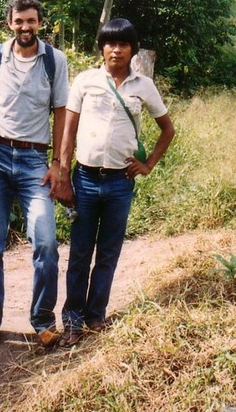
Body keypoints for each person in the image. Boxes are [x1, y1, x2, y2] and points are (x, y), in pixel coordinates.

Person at [56, 18, 175, 346]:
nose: (116, 50)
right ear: (102, 48)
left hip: (120, 183)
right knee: (80, 251)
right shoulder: (86, 81)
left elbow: (167, 129)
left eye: (123, 44)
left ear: (133, 50)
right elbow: (68, 130)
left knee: (108, 252)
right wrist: (63, 173)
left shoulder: (143, 86)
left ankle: (96, 316)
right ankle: (72, 320)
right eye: (111, 43)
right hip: (84, 179)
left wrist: (148, 165)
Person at [0, 0, 69, 349]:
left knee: (46, 242)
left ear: (40, 23)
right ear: (9, 24)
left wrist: (60, 164)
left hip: (35, 163)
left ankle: (43, 320)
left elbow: (62, 112)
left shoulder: (55, 61)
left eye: (31, 21)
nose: (25, 27)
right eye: (19, 21)